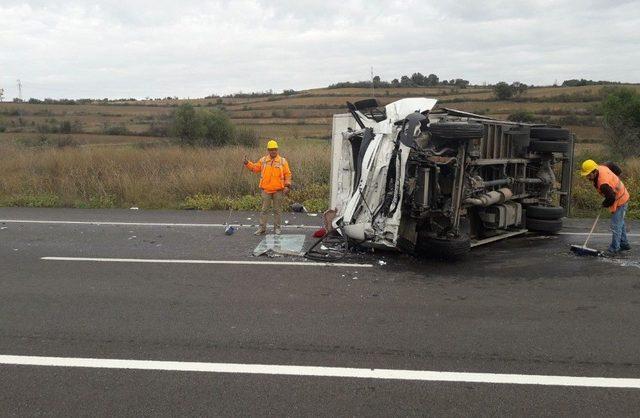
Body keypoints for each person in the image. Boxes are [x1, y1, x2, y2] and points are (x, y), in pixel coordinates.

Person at [580, 159, 631, 256]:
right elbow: (611, 163)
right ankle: (624, 244)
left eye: (589, 175)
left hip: (621, 199)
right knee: (620, 223)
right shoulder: (602, 166)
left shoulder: (603, 184)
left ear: (595, 171)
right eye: (586, 175)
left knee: (616, 225)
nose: (587, 177)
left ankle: (614, 248)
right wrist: (616, 176)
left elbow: (611, 198)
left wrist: (604, 204)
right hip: (620, 196)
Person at [244, 139, 292, 235]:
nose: (273, 151)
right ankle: (262, 228)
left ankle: (277, 228)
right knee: (264, 210)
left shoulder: (283, 161)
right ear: (268, 150)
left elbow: (288, 174)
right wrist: (247, 163)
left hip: (279, 190)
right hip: (266, 190)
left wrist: (287, 186)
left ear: (277, 149)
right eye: (271, 149)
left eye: (274, 149)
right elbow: (255, 168)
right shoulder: (263, 160)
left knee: (277, 210)